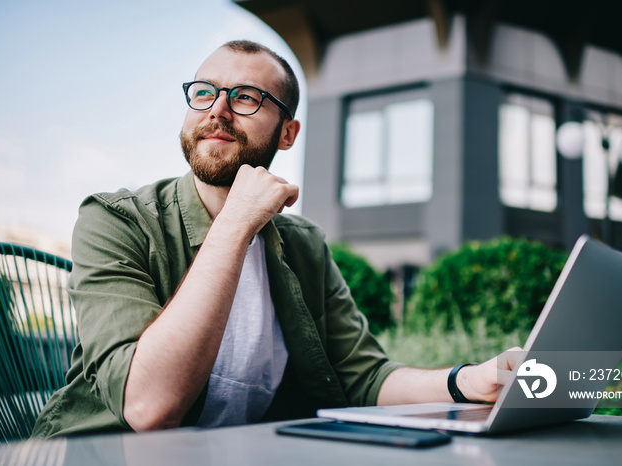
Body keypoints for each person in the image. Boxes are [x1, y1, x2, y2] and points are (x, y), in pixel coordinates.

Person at [32, 40, 517, 438]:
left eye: (245, 97)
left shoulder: (303, 245)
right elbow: (148, 407)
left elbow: (364, 377)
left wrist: (468, 380)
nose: (217, 111)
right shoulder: (116, 220)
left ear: (287, 133)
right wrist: (236, 223)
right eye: (204, 92)